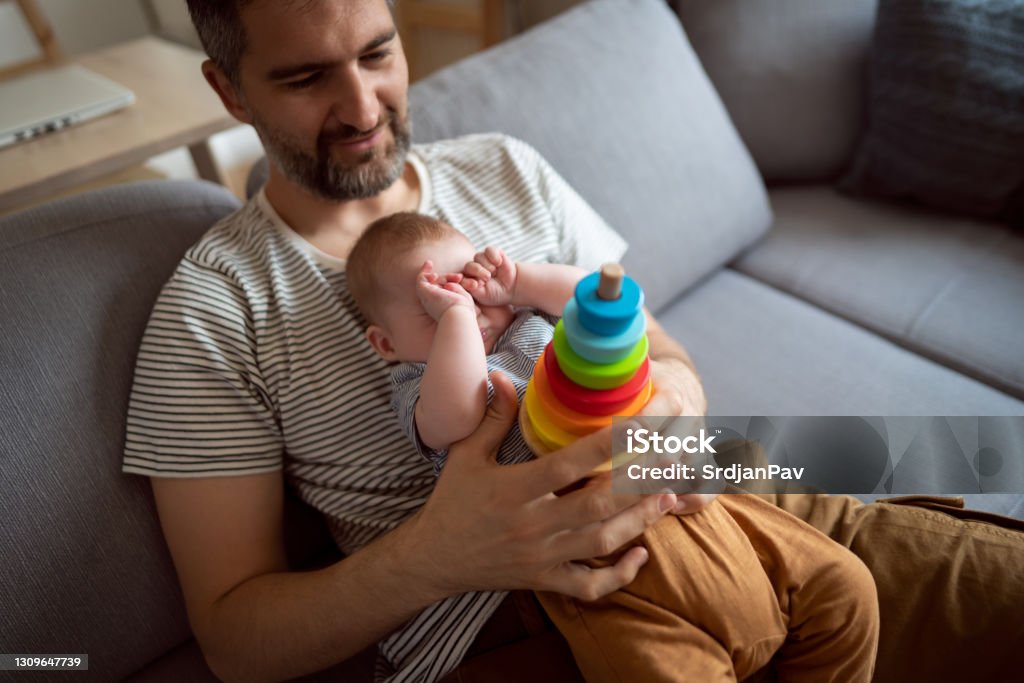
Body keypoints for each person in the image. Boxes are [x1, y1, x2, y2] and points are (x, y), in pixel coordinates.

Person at [123, 1, 1024, 681]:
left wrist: (671, 409)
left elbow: (662, 352)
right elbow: (234, 635)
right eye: (306, 76)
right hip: (521, 619)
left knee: (988, 581)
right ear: (228, 88)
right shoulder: (213, 309)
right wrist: (441, 551)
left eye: (377, 51)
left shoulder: (503, 167)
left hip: (713, 493)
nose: (363, 105)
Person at [345, 212, 879, 681]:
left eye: (469, 285)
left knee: (846, 586)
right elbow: (456, 415)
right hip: (584, 545)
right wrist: (457, 318)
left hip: (664, 484)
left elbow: (602, 303)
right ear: (385, 343)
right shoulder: (418, 381)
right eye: (432, 306)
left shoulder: (530, 321)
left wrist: (518, 283)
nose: (469, 306)